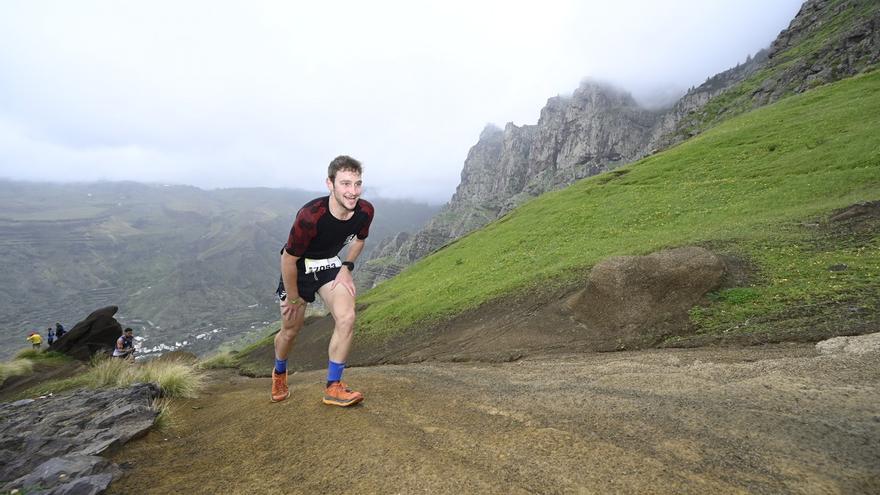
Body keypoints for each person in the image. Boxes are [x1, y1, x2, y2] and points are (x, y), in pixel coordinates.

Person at [272, 155, 374, 407]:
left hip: (330, 263)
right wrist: (294, 297)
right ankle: (279, 372)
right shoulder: (310, 216)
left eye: (357, 184)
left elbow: (359, 240)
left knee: (347, 316)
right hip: (299, 268)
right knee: (291, 330)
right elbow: (288, 258)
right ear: (330, 184)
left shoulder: (364, 211)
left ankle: (334, 386)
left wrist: (346, 268)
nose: (353, 192)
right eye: (345, 184)